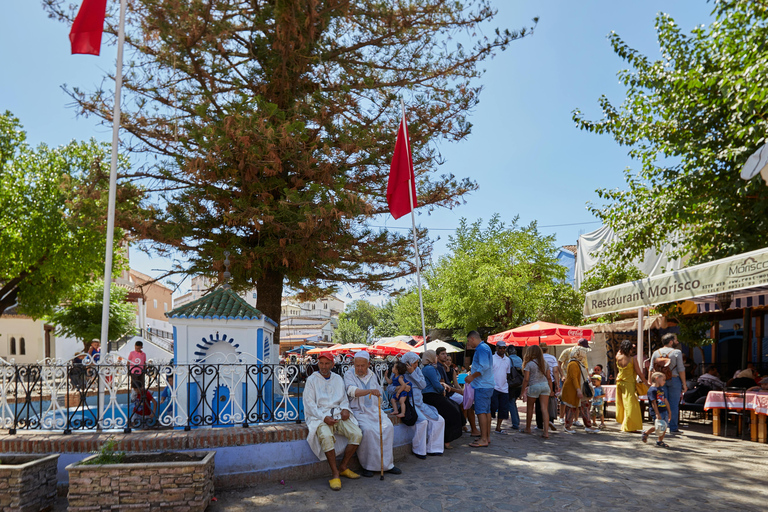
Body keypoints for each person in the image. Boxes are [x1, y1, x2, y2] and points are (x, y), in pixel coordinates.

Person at [304, 352, 363, 491]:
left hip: (337, 414)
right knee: (325, 436)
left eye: (326, 363)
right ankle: (335, 473)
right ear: (318, 364)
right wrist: (324, 418)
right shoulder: (312, 380)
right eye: (321, 363)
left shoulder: (337, 378)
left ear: (332, 364)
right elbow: (309, 404)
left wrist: (344, 409)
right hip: (320, 416)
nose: (323, 366)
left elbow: (343, 398)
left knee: (357, 434)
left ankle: (343, 467)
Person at [343, 351, 402, 478]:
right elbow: (351, 391)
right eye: (357, 365)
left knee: (388, 428)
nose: (359, 368)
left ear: (368, 364)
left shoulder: (372, 375)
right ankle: (368, 466)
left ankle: (387, 465)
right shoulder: (349, 374)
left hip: (375, 411)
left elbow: (378, 391)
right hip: (359, 412)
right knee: (368, 431)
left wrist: (378, 394)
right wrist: (369, 391)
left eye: (362, 366)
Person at [395, 351, 445, 458]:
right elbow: (390, 388)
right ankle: (418, 450)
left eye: (417, 363)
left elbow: (422, 385)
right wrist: (400, 388)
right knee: (422, 421)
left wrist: (413, 373)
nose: (417, 365)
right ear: (407, 363)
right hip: (408, 404)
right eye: (414, 363)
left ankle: (433, 448)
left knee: (439, 420)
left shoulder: (417, 370)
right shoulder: (399, 372)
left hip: (420, 403)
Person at [421, 350, 463, 448]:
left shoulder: (432, 368)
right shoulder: (429, 369)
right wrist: (442, 389)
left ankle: (448, 438)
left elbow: (439, 382)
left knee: (455, 407)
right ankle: (446, 440)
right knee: (451, 411)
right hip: (431, 396)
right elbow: (436, 384)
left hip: (435, 394)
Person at [649, 333, 687, 433]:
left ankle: (662, 426)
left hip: (660, 381)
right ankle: (673, 428)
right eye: (676, 340)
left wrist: (651, 382)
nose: (677, 342)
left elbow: (651, 369)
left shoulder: (656, 352)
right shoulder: (677, 352)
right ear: (671, 342)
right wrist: (684, 384)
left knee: (661, 403)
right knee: (674, 404)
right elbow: (681, 369)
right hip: (674, 380)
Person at [465, 331, 494, 448]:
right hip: (487, 384)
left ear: (472, 338)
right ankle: (486, 436)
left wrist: (471, 377)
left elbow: (484, 366)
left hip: (482, 385)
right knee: (486, 411)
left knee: (481, 412)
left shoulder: (481, 349)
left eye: (468, 341)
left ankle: (483, 439)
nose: (468, 344)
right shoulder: (485, 347)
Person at [561, 346, 600, 434]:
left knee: (585, 406)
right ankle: (568, 426)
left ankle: (588, 426)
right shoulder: (573, 364)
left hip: (579, 388)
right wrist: (578, 390)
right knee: (571, 407)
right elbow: (574, 378)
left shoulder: (577, 363)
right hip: (574, 389)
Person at [520, 344, 552, 438]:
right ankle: (546, 432)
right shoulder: (545, 363)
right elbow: (549, 377)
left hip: (534, 386)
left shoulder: (529, 364)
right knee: (544, 409)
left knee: (530, 408)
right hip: (545, 385)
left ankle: (528, 428)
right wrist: (551, 389)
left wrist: (522, 391)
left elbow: (526, 379)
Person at [615, 339, 644, 432]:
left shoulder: (618, 356)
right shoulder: (632, 359)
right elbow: (639, 372)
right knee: (631, 405)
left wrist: (627, 346)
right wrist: (646, 382)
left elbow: (620, 350)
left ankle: (625, 424)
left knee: (622, 404)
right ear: (630, 349)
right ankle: (629, 426)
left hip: (619, 382)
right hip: (629, 383)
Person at [642, 372, 670, 448]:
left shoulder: (661, 389)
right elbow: (653, 402)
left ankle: (659, 441)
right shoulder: (652, 390)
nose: (664, 381)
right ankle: (647, 433)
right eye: (663, 379)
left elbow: (665, 400)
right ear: (657, 378)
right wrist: (657, 413)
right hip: (657, 411)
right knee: (659, 426)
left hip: (664, 410)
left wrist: (669, 411)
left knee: (664, 426)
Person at [538, 343, 560, 432]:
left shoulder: (537, 358)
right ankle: (550, 420)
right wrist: (557, 384)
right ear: (547, 349)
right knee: (550, 402)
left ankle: (539, 424)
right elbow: (555, 371)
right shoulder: (552, 358)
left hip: (539, 381)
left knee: (539, 403)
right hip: (550, 381)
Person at [491, 341, 511, 435]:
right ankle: (488, 425)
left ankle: (498, 427)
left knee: (503, 409)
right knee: (492, 407)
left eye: (504, 348)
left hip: (504, 388)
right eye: (500, 348)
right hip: (493, 386)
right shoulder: (491, 358)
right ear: (496, 348)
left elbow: (507, 373)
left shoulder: (507, 360)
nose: (502, 350)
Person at [506, 347, 523, 430]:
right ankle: (517, 420)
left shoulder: (508, 360)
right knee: (513, 402)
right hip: (519, 383)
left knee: (511, 402)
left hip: (512, 384)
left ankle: (515, 423)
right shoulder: (519, 359)